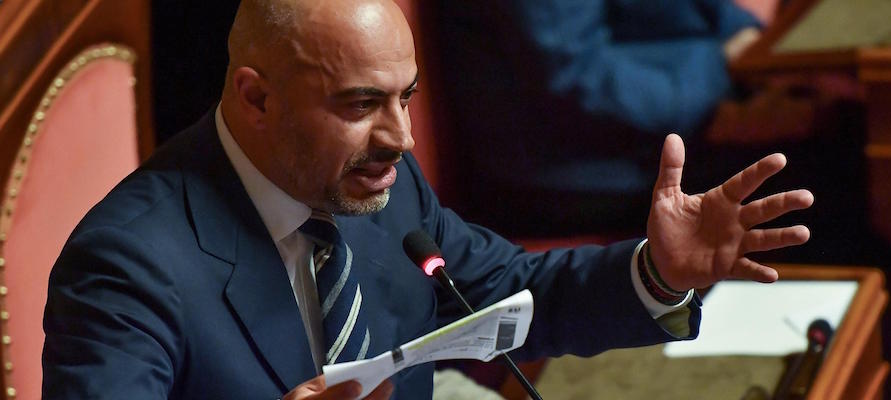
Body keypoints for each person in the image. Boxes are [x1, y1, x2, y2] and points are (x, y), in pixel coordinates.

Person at [41, 0, 813, 398]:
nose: (402, 138)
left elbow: (514, 294)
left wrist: (659, 273)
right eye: (360, 104)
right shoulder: (129, 267)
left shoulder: (377, 182)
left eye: (408, 98)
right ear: (256, 98)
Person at [424, 0, 774, 235]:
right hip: (571, 165)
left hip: (649, 117)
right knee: (799, 171)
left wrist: (749, 39)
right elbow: (574, 76)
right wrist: (723, 82)